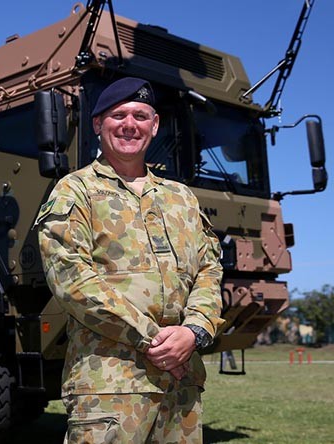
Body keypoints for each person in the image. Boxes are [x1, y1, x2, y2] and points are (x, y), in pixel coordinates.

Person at [36, 77, 224, 443]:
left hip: (181, 388)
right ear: (97, 125)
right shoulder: (76, 190)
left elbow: (208, 268)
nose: (129, 124)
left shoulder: (181, 198)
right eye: (117, 115)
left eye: (140, 115)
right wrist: (158, 342)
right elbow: (72, 280)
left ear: (154, 126)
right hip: (110, 388)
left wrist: (194, 330)